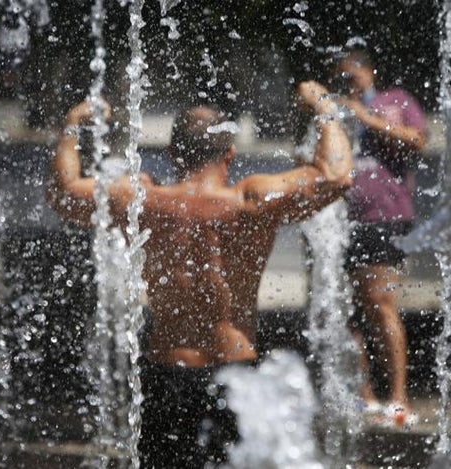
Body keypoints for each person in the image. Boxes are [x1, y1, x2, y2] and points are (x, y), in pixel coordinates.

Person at [46, 81, 353, 467]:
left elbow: (64, 192)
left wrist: (73, 124)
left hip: (163, 377)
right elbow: (337, 176)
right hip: (234, 377)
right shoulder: (252, 201)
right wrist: (324, 108)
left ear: (174, 154)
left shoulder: (140, 201)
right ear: (229, 154)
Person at [330, 48, 427, 426]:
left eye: (353, 72)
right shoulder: (334, 108)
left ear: (371, 70)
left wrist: (367, 117)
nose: (348, 80)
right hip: (341, 220)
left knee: (380, 301)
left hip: (386, 215)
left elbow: (417, 140)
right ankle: (364, 395)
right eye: (341, 75)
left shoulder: (396, 100)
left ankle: (399, 397)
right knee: (349, 311)